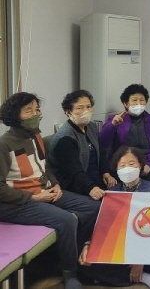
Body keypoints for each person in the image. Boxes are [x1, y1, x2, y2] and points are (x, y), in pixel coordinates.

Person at [0, 92, 99, 289]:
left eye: (37, 109)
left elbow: (45, 167)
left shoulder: (35, 135)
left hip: (45, 192)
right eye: (28, 110)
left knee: (93, 207)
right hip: (17, 203)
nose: (35, 114)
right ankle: (70, 273)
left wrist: (55, 184)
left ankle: (70, 256)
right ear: (14, 115)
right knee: (67, 220)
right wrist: (34, 197)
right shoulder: (4, 144)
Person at [79, 146, 150, 287]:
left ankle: (127, 275)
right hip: (121, 240)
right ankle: (130, 276)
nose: (127, 168)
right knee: (85, 263)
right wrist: (89, 244)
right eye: (122, 165)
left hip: (146, 240)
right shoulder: (112, 193)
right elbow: (104, 224)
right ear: (116, 169)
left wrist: (140, 258)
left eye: (131, 164)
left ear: (140, 165)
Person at [49, 90, 117, 200]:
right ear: (68, 111)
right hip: (76, 185)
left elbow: (101, 152)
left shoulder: (91, 127)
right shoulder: (65, 138)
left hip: (96, 178)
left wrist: (106, 172)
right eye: (80, 108)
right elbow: (74, 172)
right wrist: (91, 188)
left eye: (88, 107)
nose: (86, 111)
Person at [100, 84, 150, 181]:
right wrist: (113, 125)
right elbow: (103, 142)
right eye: (134, 100)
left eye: (142, 100)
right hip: (124, 163)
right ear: (126, 103)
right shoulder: (115, 119)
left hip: (147, 162)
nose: (138, 103)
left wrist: (149, 164)